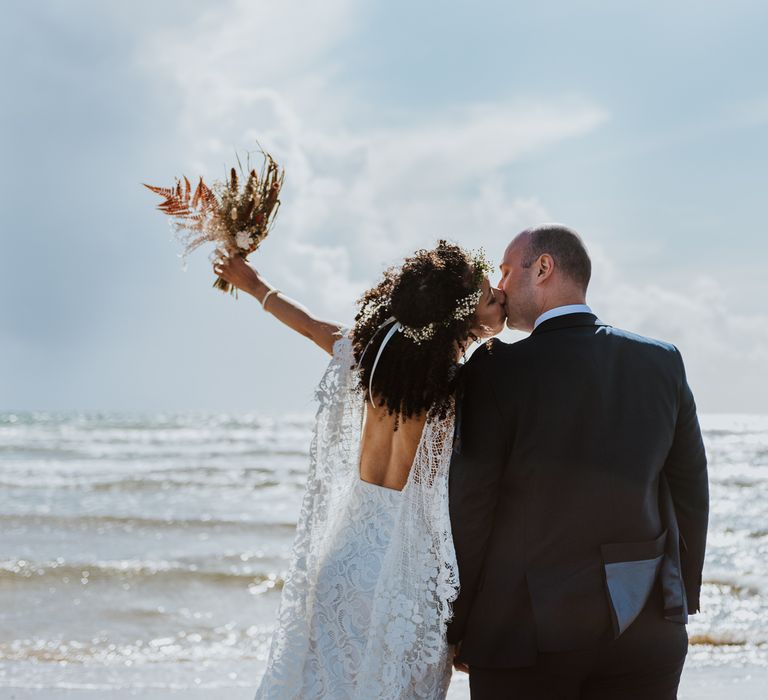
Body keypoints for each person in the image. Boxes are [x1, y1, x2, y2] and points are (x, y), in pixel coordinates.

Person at [212, 240, 506, 699]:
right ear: (459, 319)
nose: (501, 299)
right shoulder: (461, 390)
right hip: (406, 578)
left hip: (344, 564)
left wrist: (253, 284)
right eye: (491, 297)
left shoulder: (372, 359)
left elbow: (310, 327)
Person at [448, 224, 709, 699]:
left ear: (543, 267)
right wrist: (679, 602)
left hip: (522, 637)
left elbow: (470, 508)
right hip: (646, 632)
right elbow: (691, 490)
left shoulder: (494, 369)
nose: (499, 287)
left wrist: (460, 625)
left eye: (506, 272)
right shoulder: (662, 362)